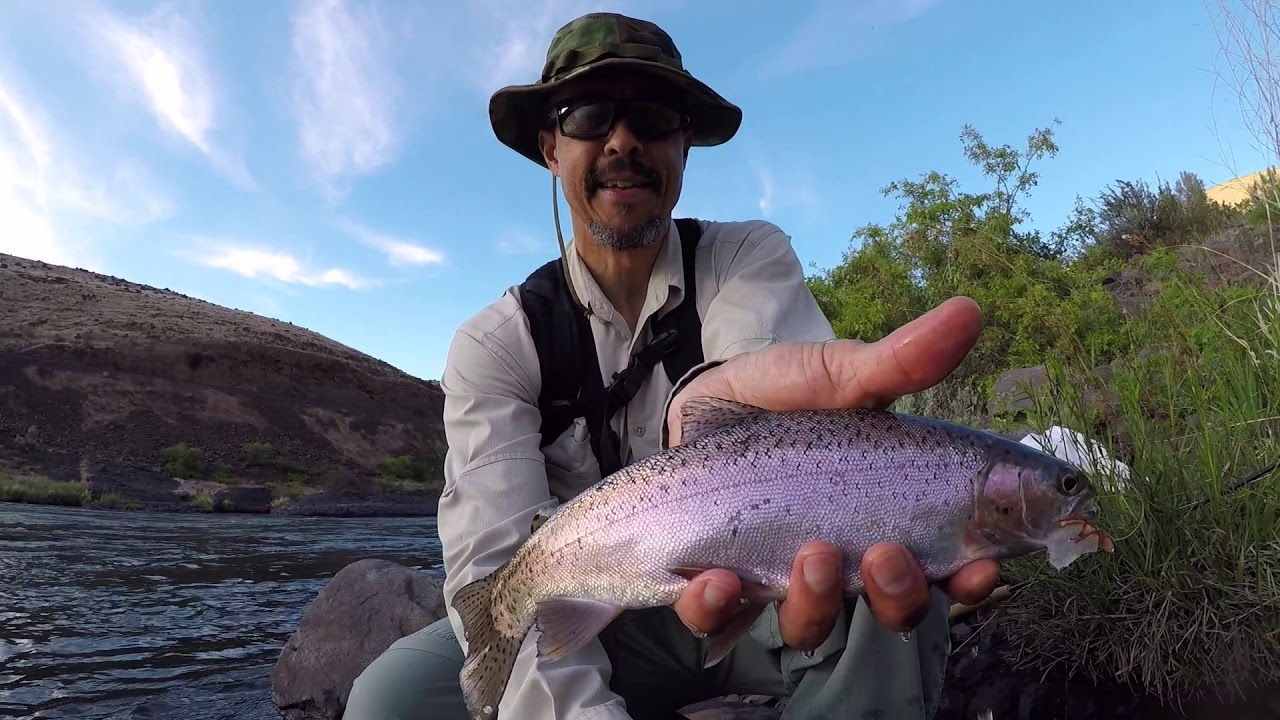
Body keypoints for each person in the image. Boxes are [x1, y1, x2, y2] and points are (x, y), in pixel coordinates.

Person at [344, 11, 998, 720]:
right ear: (549, 148)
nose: (622, 140)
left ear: (683, 143)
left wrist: (717, 406)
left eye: (651, 116)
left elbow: (767, 395)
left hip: (768, 605)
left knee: (895, 579)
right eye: (588, 115)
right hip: (597, 616)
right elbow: (497, 564)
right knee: (392, 697)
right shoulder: (497, 344)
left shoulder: (749, 258)